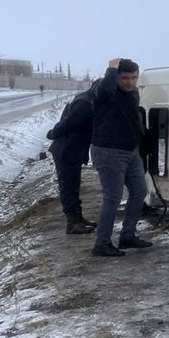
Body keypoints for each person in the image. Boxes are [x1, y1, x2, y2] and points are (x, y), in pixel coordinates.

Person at [90, 58, 151, 257]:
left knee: (140, 191)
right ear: (115, 77)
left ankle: (127, 235)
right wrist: (111, 68)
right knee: (113, 197)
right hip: (109, 151)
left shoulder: (133, 93)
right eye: (125, 78)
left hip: (130, 150)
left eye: (134, 78)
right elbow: (105, 91)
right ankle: (102, 244)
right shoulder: (105, 91)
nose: (130, 82)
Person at [46, 82, 99, 234]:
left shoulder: (87, 100)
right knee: (68, 185)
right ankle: (72, 222)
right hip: (67, 148)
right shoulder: (85, 103)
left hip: (72, 148)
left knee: (73, 184)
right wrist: (52, 133)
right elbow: (67, 124)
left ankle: (78, 218)